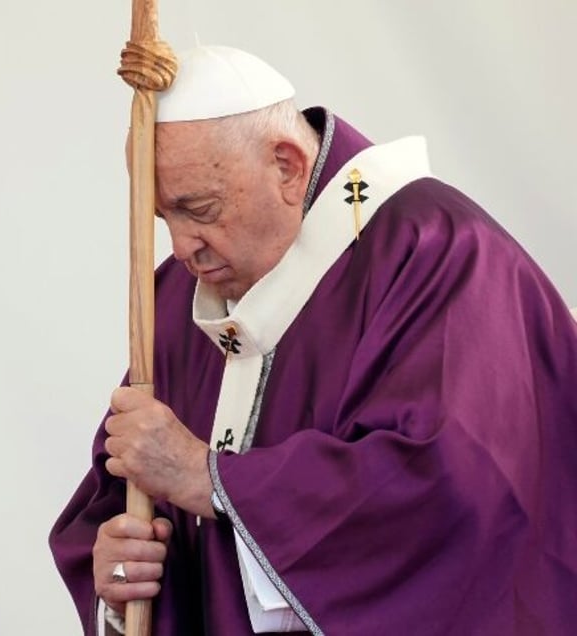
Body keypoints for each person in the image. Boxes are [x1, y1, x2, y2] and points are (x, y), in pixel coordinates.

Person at [49, 45, 577, 635]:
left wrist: (210, 479)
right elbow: (123, 500)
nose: (180, 245)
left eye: (198, 208)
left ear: (288, 166)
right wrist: (123, 582)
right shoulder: (177, 296)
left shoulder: (439, 252)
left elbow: (456, 486)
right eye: (162, 216)